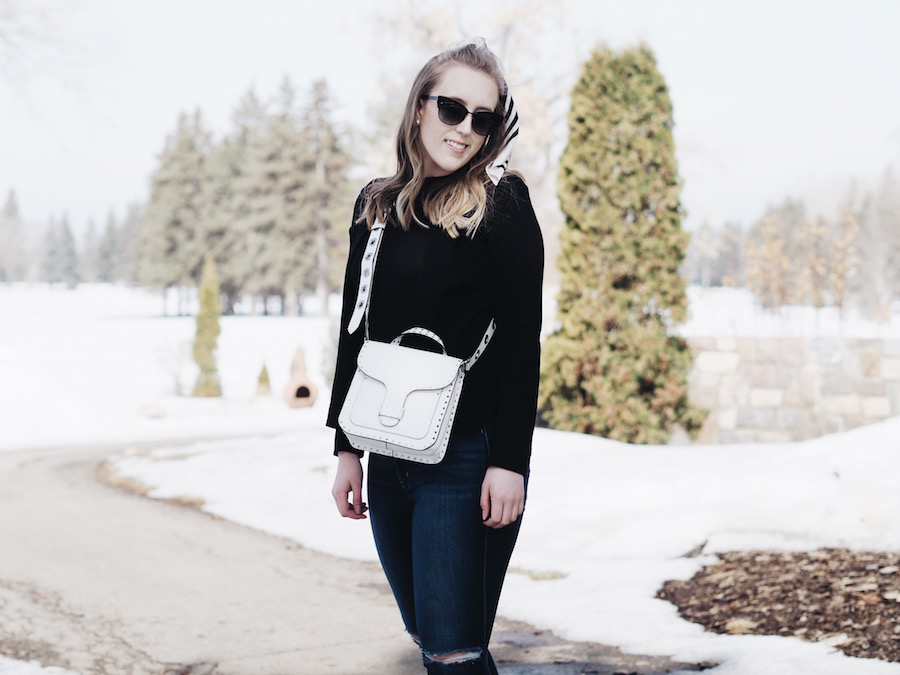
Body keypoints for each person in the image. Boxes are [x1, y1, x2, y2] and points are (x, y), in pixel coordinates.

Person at [328, 37, 543, 674]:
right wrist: (345, 449)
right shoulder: (376, 205)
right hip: (387, 450)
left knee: (453, 649)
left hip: (465, 459)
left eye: (484, 118)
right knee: (431, 638)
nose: (466, 129)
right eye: (453, 109)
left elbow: (521, 341)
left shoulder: (502, 205)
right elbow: (353, 332)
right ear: (419, 108)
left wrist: (510, 463)